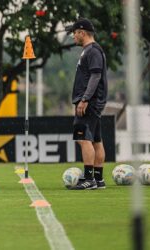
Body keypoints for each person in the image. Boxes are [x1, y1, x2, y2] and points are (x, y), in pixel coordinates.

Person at [66, 18, 108, 190]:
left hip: (89, 102)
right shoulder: (90, 50)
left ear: (82, 33)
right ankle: (98, 179)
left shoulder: (92, 51)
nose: (73, 36)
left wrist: (84, 99)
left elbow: (95, 76)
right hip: (92, 102)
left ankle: (89, 179)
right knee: (95, 140)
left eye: (74, 33)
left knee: (83, 138)